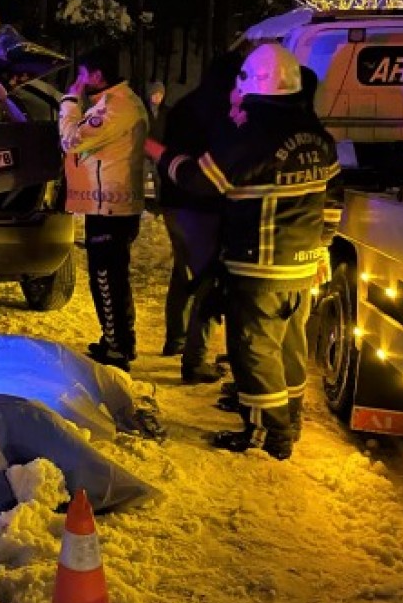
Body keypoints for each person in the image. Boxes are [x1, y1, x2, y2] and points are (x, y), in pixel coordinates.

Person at [146, 44, 341, 460]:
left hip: (260, 266)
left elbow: (198, 180)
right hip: (302, 267)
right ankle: (289, 415)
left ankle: (274, 434)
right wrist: (322, 246)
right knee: (288, 346)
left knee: (253, 350)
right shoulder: (317, 137)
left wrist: (159, 154)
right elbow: (332, 198)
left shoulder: (252, 137)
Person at [61, 48, 150, 371]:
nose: (79, 80)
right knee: (112, 277)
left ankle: (117, 347)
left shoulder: (115, 107)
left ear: (97, 76)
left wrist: (69, 101)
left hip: (110, 206)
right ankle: (118, 340)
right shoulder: (115, 103)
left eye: (83, 73)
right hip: (111, 204)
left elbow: (72, 140)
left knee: (106, 277)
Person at [157, 53, 243, 383]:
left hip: (174, 202)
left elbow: (165, 153)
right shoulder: (228, 112)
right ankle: (195, 360)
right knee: (209, 280)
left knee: (183, 271)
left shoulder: (183, 105)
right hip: (206, 206)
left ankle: (174, 339)